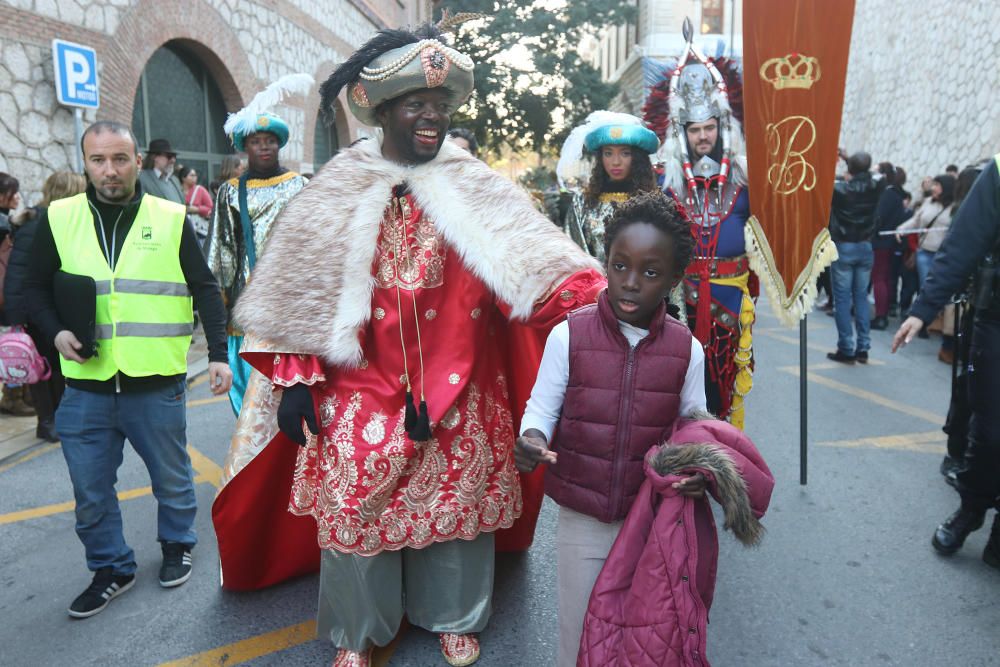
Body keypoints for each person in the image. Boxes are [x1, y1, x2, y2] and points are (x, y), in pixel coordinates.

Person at [211, 23, 604, 667]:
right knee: (356, 507)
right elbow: (301, 285)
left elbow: (544, 267)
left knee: (457, 503)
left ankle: (454, 615)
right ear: (385, 110)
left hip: (463, 382)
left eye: (441, 107)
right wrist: (295, 380)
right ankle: (361, 633)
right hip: (360, 382)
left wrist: (607, 298)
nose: (432, 118)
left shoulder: (475, 183)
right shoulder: (339, 184)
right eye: (417, 105)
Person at [23, 120, 232, 618]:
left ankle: (178, 542)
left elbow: (204, 287)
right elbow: (33, 289)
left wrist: (220, 353)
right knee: (90, 490)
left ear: (138, 161)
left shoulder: (168, 215)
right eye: (98, 160)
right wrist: (53, 332)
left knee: (172, 478)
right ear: (85, 163)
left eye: (120, 159)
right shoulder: (59, 217)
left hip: (155, 381)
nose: (110, 170)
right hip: (86, 385)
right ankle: (111, 567)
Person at [514, 191, 706, 665]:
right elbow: (541, 408)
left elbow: (694, 430)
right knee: (578, 633)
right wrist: (532, 439)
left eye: (650, 272)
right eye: (620, 266)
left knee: (641, 635)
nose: (630, 282)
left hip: (652, 521)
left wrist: (701, 471)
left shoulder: (688, 350)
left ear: (673, 280)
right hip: (583, 520)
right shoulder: (570, 335)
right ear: (606, 262)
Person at [893, 154, 1000, 571]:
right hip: (995, 323)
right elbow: (964, 243)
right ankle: (971, 509)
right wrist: (923, 309)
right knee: (991, 434)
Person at [649, 29, 756, 429]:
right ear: (683, 133)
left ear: (722, 126)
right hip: (682, 300)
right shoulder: (666, 181)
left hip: (732, 300)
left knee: (724, 386)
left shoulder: (745, 179)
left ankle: (721, 448)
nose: (703, 136)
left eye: (709, 127)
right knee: (679, 387)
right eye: (694, 130)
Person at [205, 74, 312, 416]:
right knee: (249, 405)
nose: (264, 146)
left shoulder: (299, 186)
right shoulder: (230, 192)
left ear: (279, 144)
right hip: (245, 313)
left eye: (270, 140)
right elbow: (221, 254)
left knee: (292, 405)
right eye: (256, 141)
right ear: (244, 147)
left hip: (290, 313)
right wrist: (218, 312)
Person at [3, 171, 86, 441]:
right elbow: (21, 274)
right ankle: (48, 422)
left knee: (57, 367)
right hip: (35, 311)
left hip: (47, 308)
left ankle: (58, 418)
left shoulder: (54, 220)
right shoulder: (39, 222)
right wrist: (18, 317)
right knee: (44, 369)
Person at [556, 111, 660, 264]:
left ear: (637, 158)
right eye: (608, 153)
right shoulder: (582, 204)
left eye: (625, 153)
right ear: (600, 157)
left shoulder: (655, 204)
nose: (615, 162)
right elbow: (573, 257)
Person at [826, 152, 880, 364]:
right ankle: (863, 348)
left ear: (851, 170)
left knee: (842, 300)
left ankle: (846, 348)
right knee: (861, 298)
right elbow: (876, 174)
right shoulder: (877, 186)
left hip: (845, 245)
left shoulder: (840, 190)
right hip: (865, 246)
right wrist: (851, 160)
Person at [0, 171, 35, 417]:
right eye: (13, 192)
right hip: (4, 291)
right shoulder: (3, 225)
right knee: (12, 344)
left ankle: (16, 392)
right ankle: (12, 395)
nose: (18, 197)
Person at [871, 163, 908, 330]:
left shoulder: (888, 194)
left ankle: (880, 316)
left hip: (881, 242)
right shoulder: (898, 195)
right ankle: (882, 313)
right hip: (889, 242)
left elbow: (879, 218)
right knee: (884, 279)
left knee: (879, 279)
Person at [138, 138, 184, 205]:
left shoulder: (175, 180)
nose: (173, 160)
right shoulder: (141, 179)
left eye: (174, 157)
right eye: (169, 156)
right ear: (155, 157)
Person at [179, 165, 213, 242]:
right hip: (180, 228)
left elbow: (210, 208)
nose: (195, 177)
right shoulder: (177, 189)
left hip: (198, 231)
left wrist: (197, 209)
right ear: (183, 178)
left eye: (195, 175)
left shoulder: (200, 190)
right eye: (192, 175)